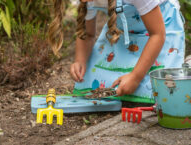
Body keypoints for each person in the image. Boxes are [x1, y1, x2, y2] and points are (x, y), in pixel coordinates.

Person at [48, 0, 185, 103]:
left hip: (161, 30)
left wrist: (135, 77)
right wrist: (80, 60)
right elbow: (88, 34)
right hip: (124, 32)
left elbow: (158, 34)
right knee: (99, 86)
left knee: (160, 89)